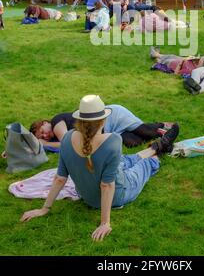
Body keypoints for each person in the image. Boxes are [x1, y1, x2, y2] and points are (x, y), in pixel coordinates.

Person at [20, 95, 179, 241]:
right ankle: (158, 151)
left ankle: (155, 147)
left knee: (124, 161)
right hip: (117, 195)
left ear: (79, 120)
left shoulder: (67, 138)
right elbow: (107, 185)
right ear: (103, 120)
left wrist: (44, 208)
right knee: (146, 164)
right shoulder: (113, 140)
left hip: (87, 197)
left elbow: (60, 178)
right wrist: (105, 222)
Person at [30, 104, 173, 149]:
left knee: (145, 132)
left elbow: (66, 142)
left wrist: (45, 143)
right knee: (132, 143)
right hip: (108, 131)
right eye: (41, 137)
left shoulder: (56, 121)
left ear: (45, 123)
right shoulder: (52, 131)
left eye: (42, 132)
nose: (44, 135)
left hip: (110, 117)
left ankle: (161, 126)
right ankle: (158, 134)